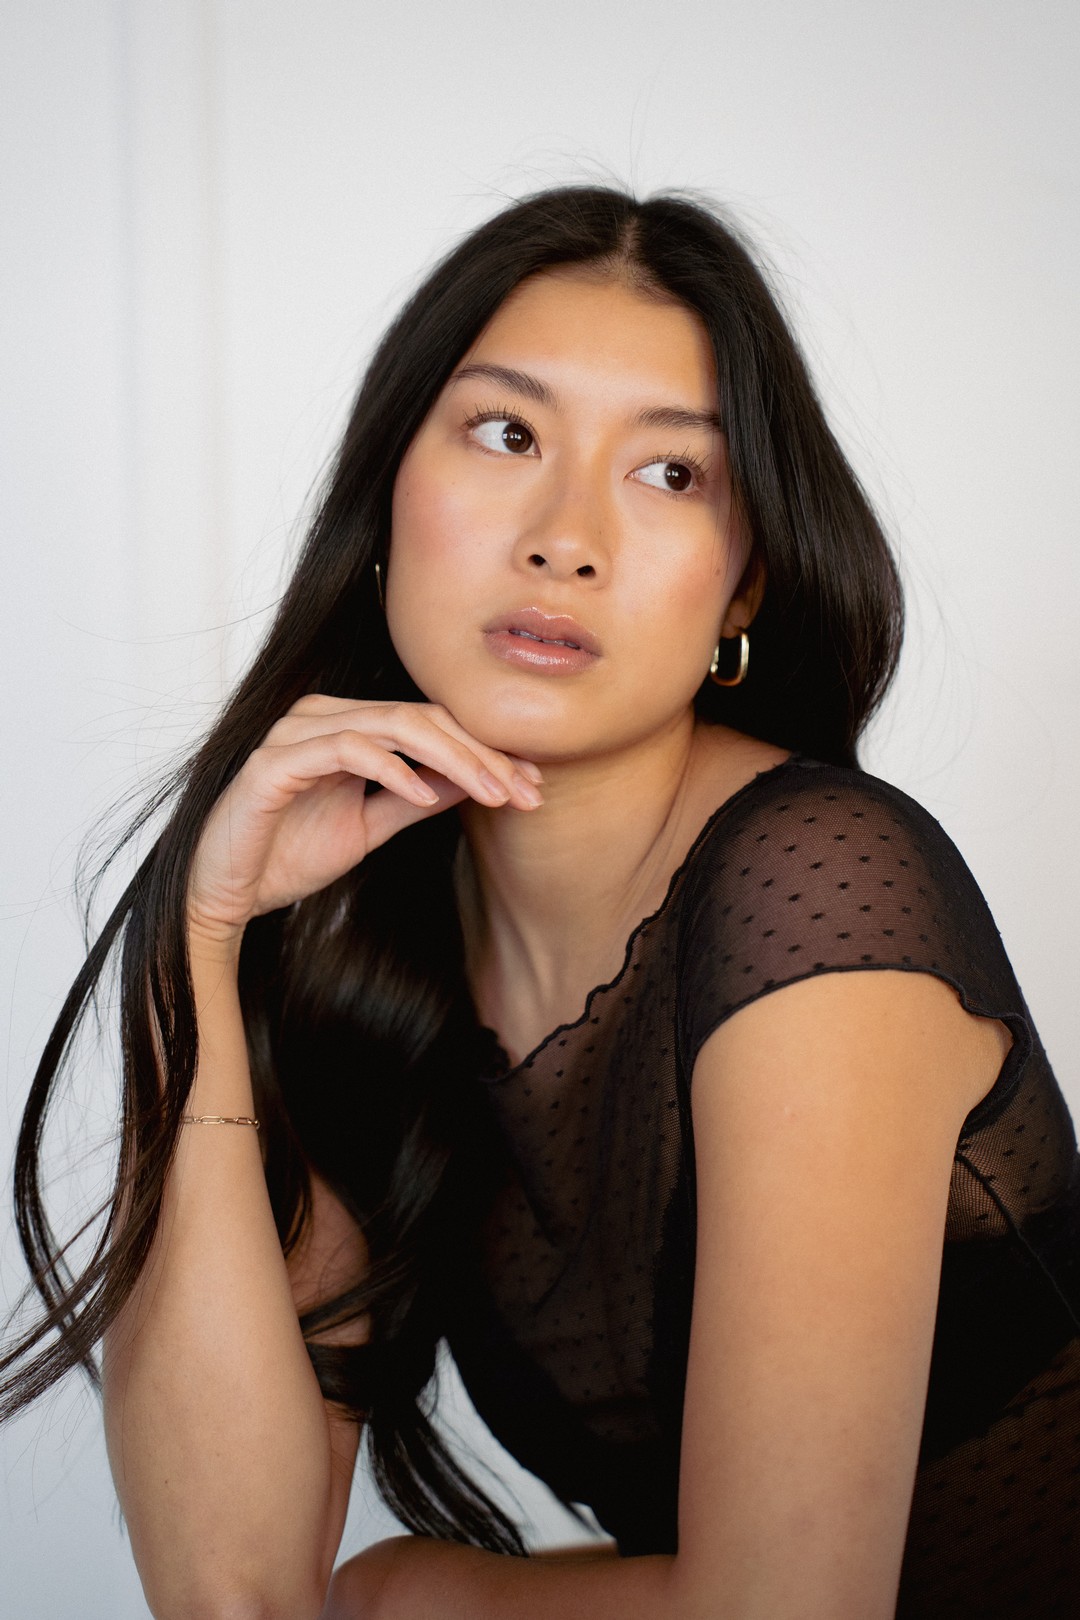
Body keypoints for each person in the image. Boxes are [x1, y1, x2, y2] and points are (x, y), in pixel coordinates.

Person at [3, 186, 1078, 1620]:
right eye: (508, 435)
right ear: (388, 496)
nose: (567, 537)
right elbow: (230, 1588)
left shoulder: (819, 891)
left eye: (673, 473)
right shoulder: (364, 941)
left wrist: (404, 1596)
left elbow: (789, 1610)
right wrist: (197, 944)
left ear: (743, 590)